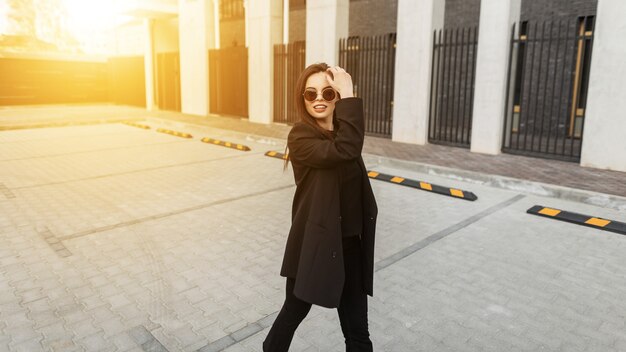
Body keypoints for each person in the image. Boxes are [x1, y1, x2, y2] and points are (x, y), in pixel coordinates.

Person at [262, 63, 378, 351]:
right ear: (302, 99)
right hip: (314, 245)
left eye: (328, 92)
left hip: (350, 246)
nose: (319, 99)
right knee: (294, 311)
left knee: (358, 334)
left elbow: (348, 147)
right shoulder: (301, 137)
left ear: (335, 97)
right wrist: (350, 94)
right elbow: (346, 150)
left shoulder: (343, 132)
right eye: (310, 93)